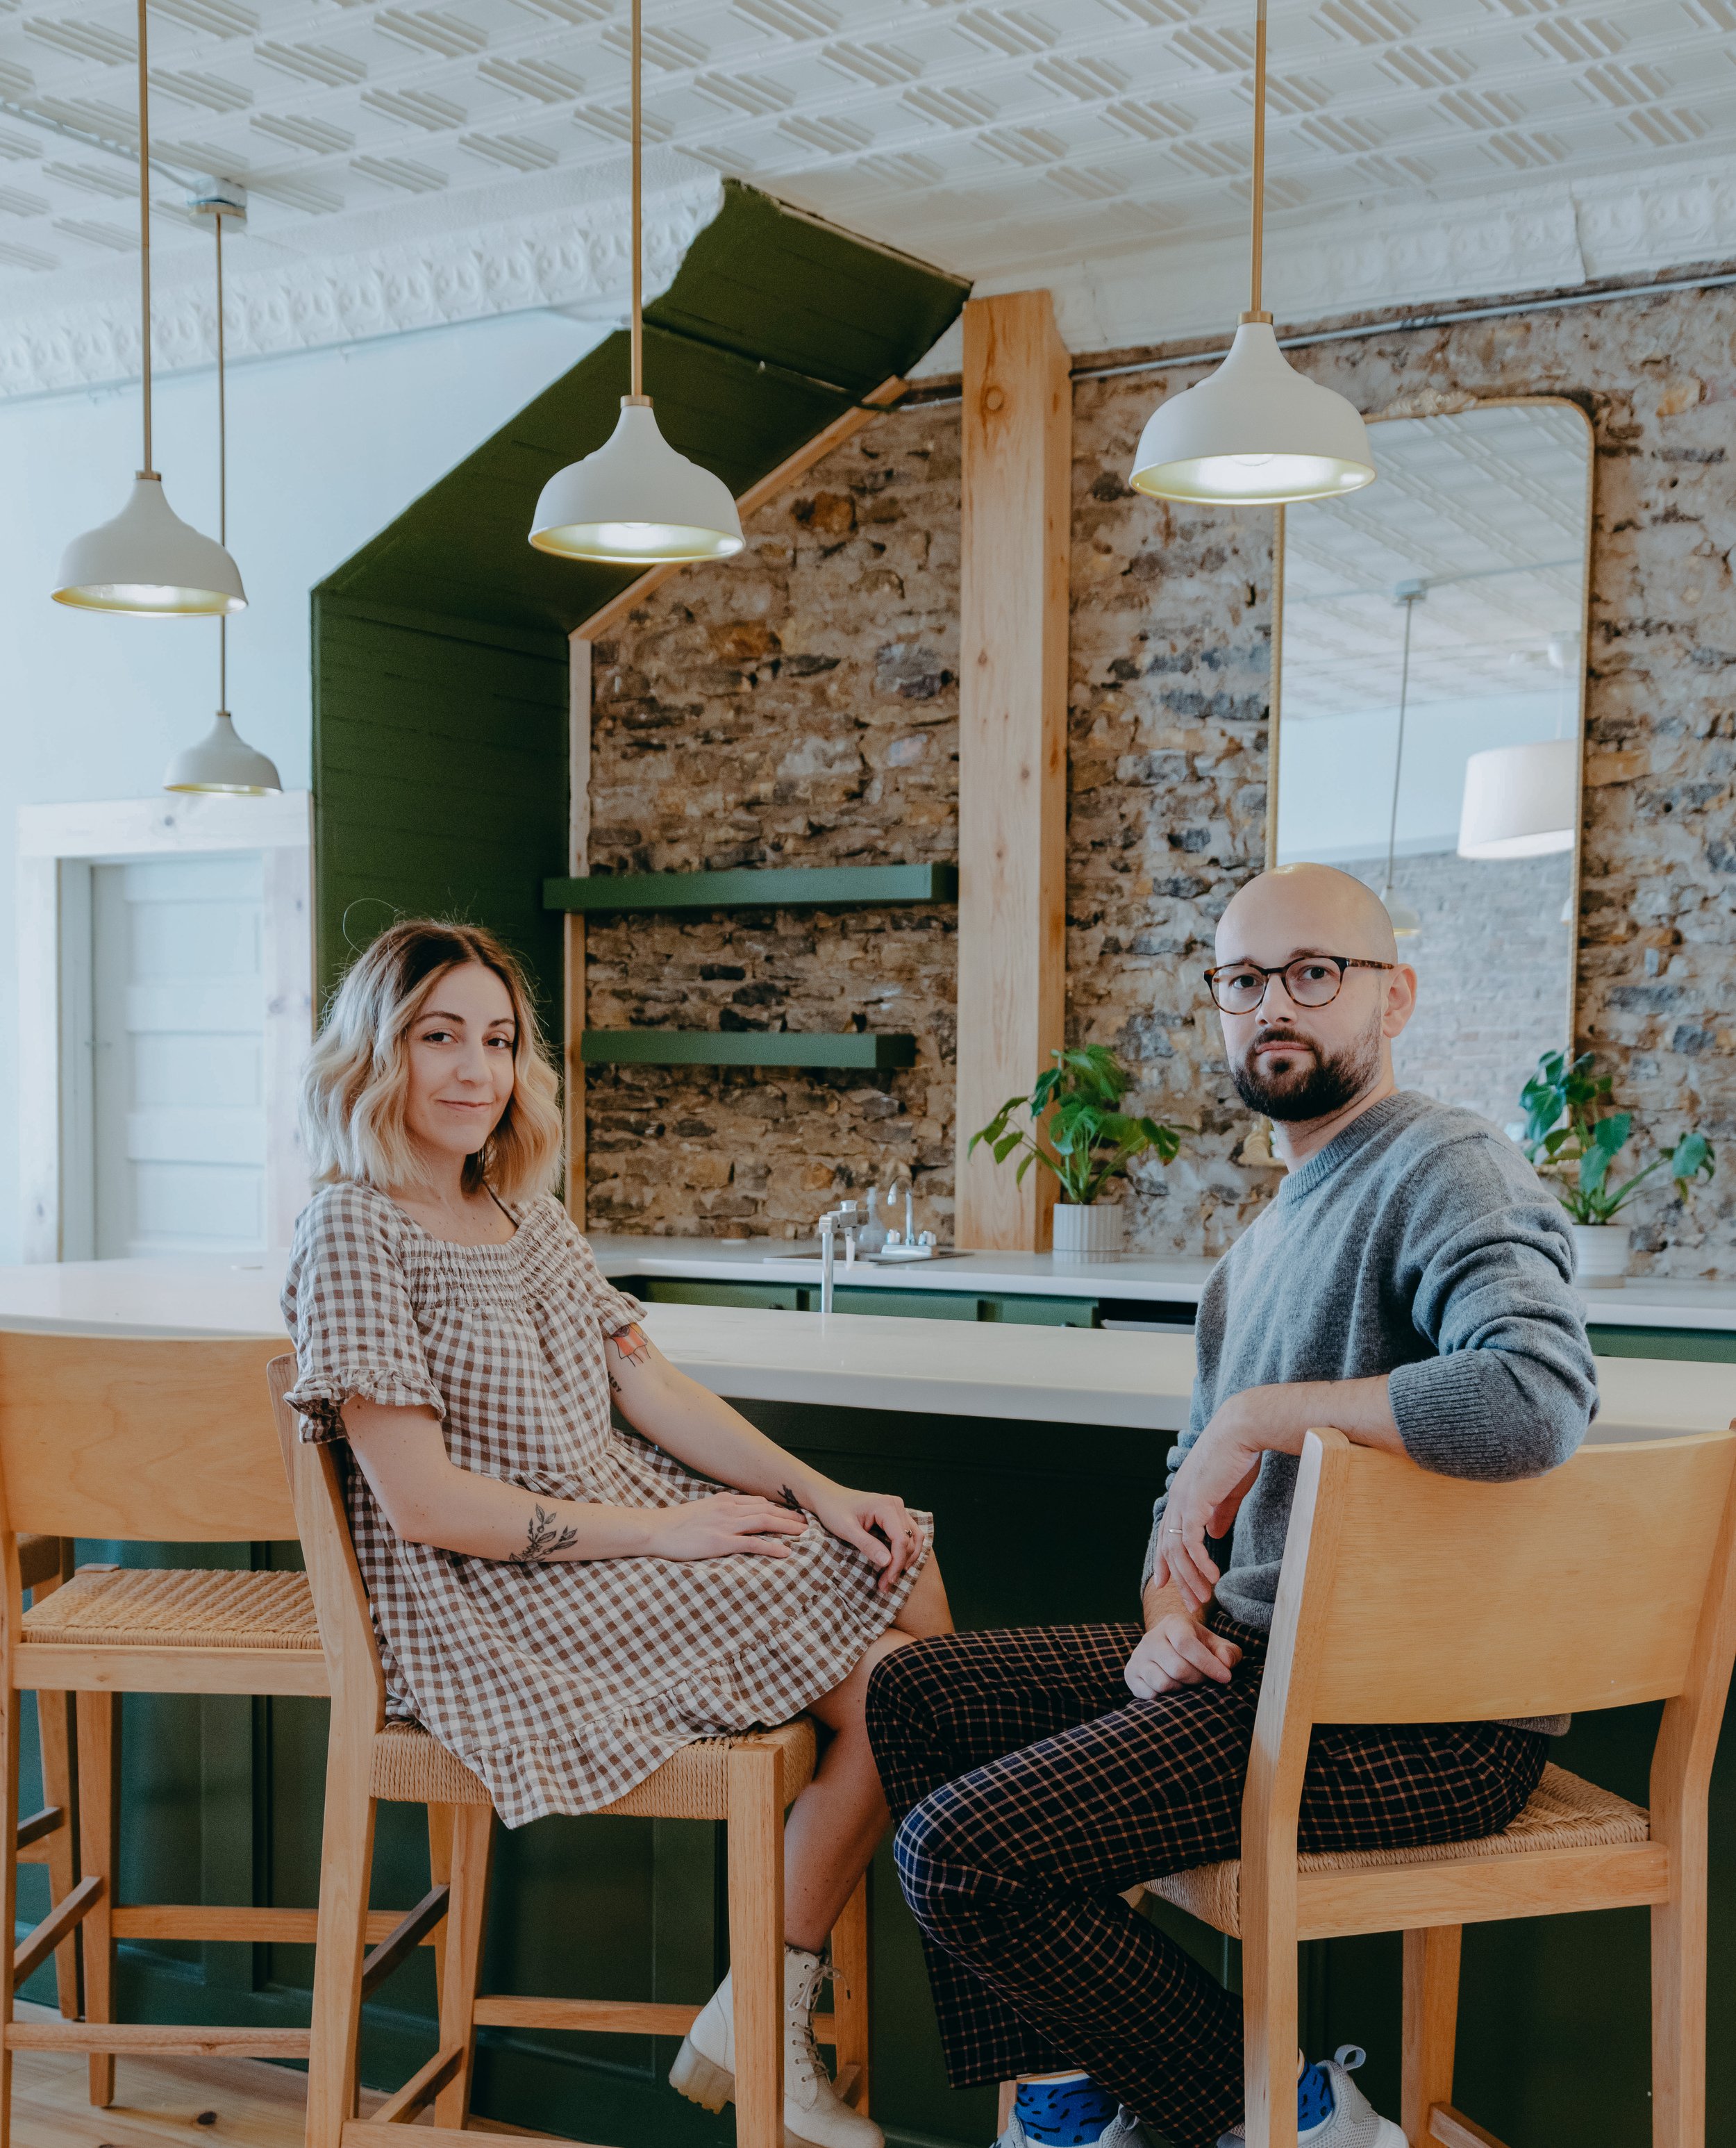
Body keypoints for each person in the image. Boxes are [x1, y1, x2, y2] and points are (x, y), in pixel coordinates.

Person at [864, 863, 1599, 2148]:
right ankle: (1072, 2105)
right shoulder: (1252, 1253)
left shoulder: (1447, 1162)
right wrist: (1164, 1613)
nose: (1275, 1006)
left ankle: (1302, 2120)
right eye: (1244, 981)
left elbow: (1534, 1397)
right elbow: (1185, 1505)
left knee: (958, 1852)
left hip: (1411, 1712)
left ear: (1395, 995)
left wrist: (1268, 1416)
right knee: (918, 1693)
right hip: (1268, 1666)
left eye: (1315, 974)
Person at [283, 918, 951, 2148]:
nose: (476, 1070)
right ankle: (775, 2012)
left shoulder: (523, 1216)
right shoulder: (353, 1230)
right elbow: (426, 1503)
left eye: (498, 1039)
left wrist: (816, 1490)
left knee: (894, 1553)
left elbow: (651, 1387)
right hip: (498, 1598)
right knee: (909, 1669)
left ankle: (764, 2002)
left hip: (623, 1539)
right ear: (379, 1051)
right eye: (440, 1037)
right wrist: (668, 1537)